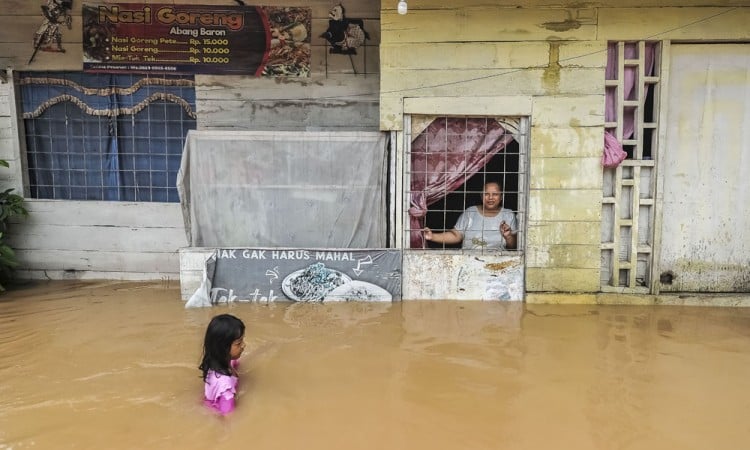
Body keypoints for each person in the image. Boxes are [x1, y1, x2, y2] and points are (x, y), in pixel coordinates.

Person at [423, 181, 517, 250]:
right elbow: (456, 235)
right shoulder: (470, 212)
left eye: (495, 194)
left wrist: (508, 236)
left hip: (498, 264)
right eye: (486, 194)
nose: (490, 197)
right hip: (469, 263)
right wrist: (432, 236)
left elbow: (513, 246)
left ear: (501, 197)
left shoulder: (508, 215)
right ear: (481, 196)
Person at [199, 314, 246, 415]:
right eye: (238, 343)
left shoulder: (215, 363)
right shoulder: (226, 390)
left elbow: (235, 363)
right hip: (217, 405)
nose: (244, 345)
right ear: (222, 349)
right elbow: (228, 417)